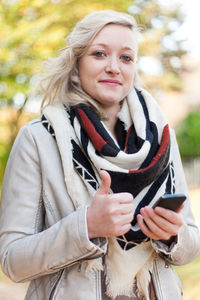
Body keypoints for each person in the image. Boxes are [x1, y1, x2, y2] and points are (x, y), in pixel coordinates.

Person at [0, 9, 199, 300]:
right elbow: (11, 260)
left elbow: (191, 244)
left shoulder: (160, 138)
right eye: (99, 54)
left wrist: (171, 235)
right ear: (76, 62)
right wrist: (86, 227)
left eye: (126, 57)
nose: (114, 67)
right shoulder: (38, 139)